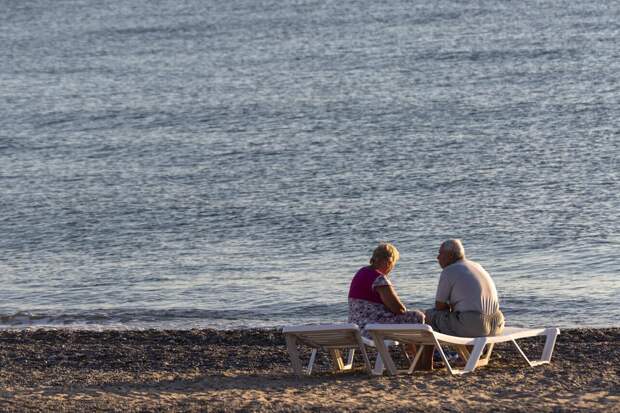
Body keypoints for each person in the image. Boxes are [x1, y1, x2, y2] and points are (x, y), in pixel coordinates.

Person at [426, 239, 505, 337]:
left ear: (450, 255)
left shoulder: (449, 270)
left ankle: (426, 348)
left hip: (474, 324)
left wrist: (450, 307)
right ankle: (474, 348)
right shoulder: (477, 266)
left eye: (440, 253)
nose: (437, 257)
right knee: (457, 316)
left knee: (429, 315)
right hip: (497, 323)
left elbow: (439, 306)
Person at [348, 243, 425, 335]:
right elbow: (398, 309)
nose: (392, 268)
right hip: (372, 329)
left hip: (356, 327)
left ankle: (410, 344)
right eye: (393, 263)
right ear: (389, 261)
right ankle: (417, 344)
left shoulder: (361, 272)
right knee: (417, 316)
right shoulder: (379, 278)